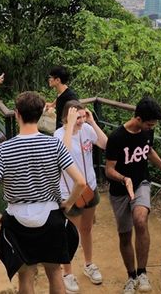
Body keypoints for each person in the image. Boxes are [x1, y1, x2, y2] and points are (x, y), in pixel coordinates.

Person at [0, 91, 87, 294]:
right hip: (51, 217)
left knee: (25, 277)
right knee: (55, 273)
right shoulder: (54, 144)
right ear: (40, 114)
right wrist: (68, 204)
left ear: (17, 114)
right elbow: (80, 182)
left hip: (17, 219)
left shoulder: (3, 150)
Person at [105, 96, 161, 294]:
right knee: (125, 234)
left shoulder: (147, 131)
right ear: (138, 119)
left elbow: (148, 150)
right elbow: (108, 169)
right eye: (150, 124)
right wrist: (123, 178)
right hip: (120, 190)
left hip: (141, 183)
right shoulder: (117, 137)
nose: (152, 128)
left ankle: (142, 271)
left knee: (140, 219)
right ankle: (131, 276)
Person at [54, 100, 108, 292]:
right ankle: (67, 273)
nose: (81, 120)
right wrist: (69, 126)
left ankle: (88, 264)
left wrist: (92, 122)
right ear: (66, 118)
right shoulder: (59, 135)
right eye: (77, 117)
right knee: (70, 235)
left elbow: (105, 144)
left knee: (86, 229)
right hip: (70, 192)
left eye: (83, 116)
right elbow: (63, 154)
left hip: (90, 188)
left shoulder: (87, 129)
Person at [47, 66, 79, 130]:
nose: (49, 80)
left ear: (58, 80)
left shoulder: (70, 97)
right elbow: (60, 98)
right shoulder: (62, 93)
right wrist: (52, 105)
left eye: (50, 77)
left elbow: (76, 115)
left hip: (65, 132)